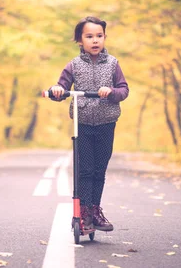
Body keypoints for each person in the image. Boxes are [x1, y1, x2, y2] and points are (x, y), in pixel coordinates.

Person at [49, 16, 129, 232]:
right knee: (85, 170)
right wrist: (57, 91)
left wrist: (111, 92)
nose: (95, 41)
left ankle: (95, 210)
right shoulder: (73, 65)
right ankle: (83, 212)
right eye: (89, 36)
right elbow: (61, 87)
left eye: (99, 36)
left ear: (104, 38)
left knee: (99, 170)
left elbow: (124, 90)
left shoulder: (113, 64)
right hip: (82, 124)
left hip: (106, 123)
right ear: (80, 41)